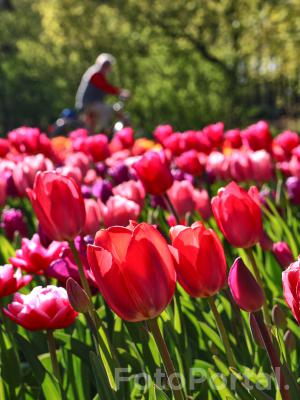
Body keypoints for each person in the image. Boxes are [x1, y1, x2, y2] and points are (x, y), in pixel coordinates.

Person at [75, 53, 130, 132]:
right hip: (89, 104)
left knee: (104, 111)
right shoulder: (96, 74)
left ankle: (98, 131)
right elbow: (105, 87)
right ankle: (103, 130)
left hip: (91, 103)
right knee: (107, 110)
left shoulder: (95, 72)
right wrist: (121, 92)